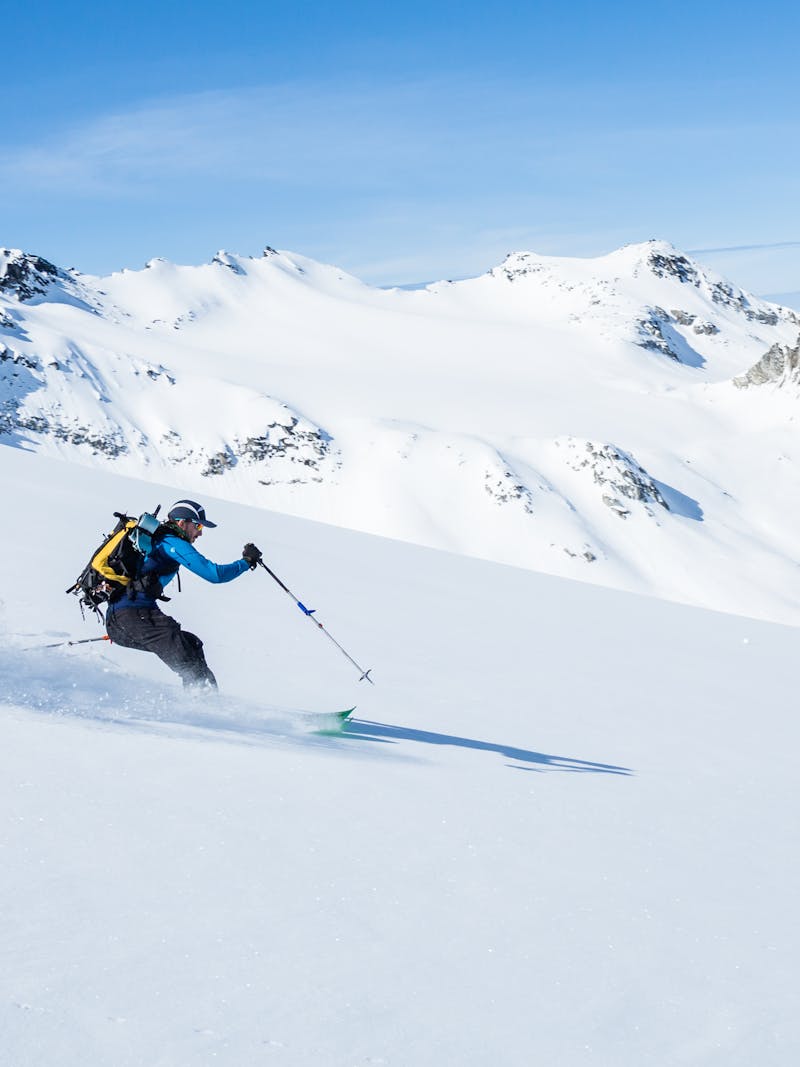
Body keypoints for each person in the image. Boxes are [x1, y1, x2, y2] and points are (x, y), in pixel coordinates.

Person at [105, 499, 262, 690]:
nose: (200, 532)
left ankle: (199, 703)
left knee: (192, 645)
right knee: (192, 666)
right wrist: (246, 561)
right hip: (133, 617)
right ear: (181, 523)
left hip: (125, 620)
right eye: (197, 525)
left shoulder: (157, 539)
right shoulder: (171, 542)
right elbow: (215, 574)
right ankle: (203, 709)